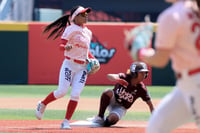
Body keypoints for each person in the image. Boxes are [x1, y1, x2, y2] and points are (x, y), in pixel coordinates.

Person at [133, 0, 200, 132]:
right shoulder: (194, 7)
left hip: (195, 82)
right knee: (156, 127)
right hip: (185, 85)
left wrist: (140, 51)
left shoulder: (171, 15)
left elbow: (160, 60)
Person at [35, 5, 100, 129]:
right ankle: (43, 104)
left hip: (82, 67)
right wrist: (66, 47)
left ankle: (66, 122)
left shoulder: (88, 32)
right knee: (61, 92)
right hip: (70, 64)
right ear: (75, 17)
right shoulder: (71, 29)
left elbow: (87, 51)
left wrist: (93, 59)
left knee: (76, 94)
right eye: (83, 14)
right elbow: (61, 45)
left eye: (86, 14)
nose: (86, 16)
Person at [87, 62, 154, 127]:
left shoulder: (142, 88)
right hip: (113, 99)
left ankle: (106, 120)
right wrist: (118, 79)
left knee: (112, 119)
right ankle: (100, 117)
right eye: (141, 72)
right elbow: (109, 76)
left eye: (145, 73)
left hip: (121, 107)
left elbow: (150, 105)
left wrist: (156, 119)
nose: (144, 75)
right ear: (134, 73)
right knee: (108, 92)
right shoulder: (124, 77)